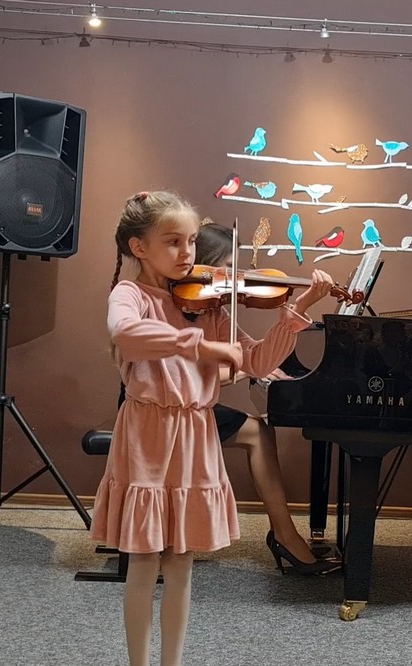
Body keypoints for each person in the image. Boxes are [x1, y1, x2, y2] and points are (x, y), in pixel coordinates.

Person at [89, 190, 334, 666]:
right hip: (147, 433)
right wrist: (198, 346)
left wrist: (298, 307)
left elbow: (256, 360)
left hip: (195, 434)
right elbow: (126, 334)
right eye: (173, 242)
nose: (188, 254)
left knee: (181, 562)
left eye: (191, 242)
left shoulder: (210, 307)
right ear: (139, 247)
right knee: (144, 561)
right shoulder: (130, 295)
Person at [194, 222, 336, 572]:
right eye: (229, 267)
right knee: (257, 432)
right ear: (203, 265)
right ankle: (285, 536)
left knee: (259, 431)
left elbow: (257, 359)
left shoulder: (216, 312)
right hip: (168, 412)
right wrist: (242, 370)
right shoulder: (174, 308)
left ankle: (285, 534)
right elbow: (193, 377)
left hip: (197, 408)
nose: (236, 278)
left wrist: (300, 304)